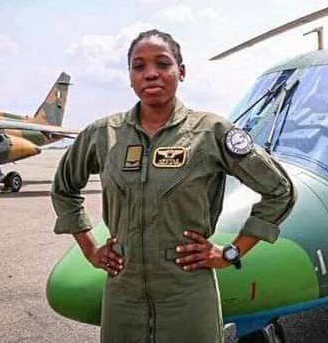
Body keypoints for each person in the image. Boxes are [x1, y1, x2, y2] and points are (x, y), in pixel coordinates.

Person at [51, 29, 296, 343]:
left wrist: (231, 252)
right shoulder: (103, 134)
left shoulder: (211, 132)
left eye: (163, 64)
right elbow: (64, 188)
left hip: (188, 293)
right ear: (130, 78)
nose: (151, 73)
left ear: (181, 71)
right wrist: (90, 250)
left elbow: (280, 191)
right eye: (139, 66)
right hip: (123, 294)